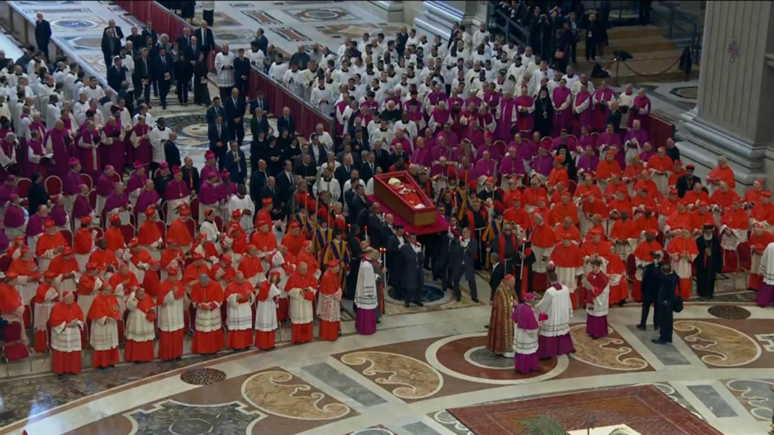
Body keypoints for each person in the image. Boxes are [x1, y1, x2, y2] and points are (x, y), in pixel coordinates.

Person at [535, 271, 575, 359]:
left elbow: (543, 305)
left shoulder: (550, 292)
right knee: (563, 332)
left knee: (549, 334)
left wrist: (535, 307)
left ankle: (547, 353)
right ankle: (566, 348)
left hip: (553, 317)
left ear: (548, 280)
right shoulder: (565, 289)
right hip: (563, 316)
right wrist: (569, 312)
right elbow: (569, 302)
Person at [49, 291, 84, 375]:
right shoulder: (57, 307)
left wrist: (77, 322)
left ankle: (74, 369)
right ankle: (61, 370)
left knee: (74, 351)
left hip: (74, 332)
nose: (73, 299)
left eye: (73, 298)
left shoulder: (76, 305)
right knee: (62, 352)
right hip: (62, 333)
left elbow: (81, 317)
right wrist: (67, 325)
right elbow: (54, 321)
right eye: (70, 298)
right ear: (65, 299)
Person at [88, 284, 121, 369]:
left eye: (111, 290)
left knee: (111, 344)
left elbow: (116, 307)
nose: (111, 292)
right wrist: (105, 318)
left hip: (111, 324)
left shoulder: (112, 297)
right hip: (102, 325)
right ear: (103, 290)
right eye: (109, 290)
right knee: (102, 346)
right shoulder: (97, 299)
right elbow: (96, 312)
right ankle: (101, 363)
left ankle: (110, 361)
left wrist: (116, 314)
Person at [191, 274, 224, 355]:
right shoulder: (196, 286)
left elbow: (220, 298)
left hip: (213, 312)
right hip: (202, 312)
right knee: (202, 330)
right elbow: (194, 299)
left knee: (213, 329)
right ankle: (202, 349)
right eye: (202, 284)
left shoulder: (216, 285)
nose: (203, 286)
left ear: (208, 280)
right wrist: (200, 305)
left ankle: (214, 348)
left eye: (205, 284)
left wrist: (212, 305)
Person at [157, 267, 185, 360]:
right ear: (168, 276)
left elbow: (181, 294)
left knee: (177, 334)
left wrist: (177, 294)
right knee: (167, 335)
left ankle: (177, 354)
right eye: (171, 276)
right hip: (167, 312)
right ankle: (167, 356)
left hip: (177, 311)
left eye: (174, 276)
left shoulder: (179, 283)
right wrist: (171, 293)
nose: (173, 278)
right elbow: (161, 301)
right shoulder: (163, 285)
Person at [285, 261, 317, 344]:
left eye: (305, 269)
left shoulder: (310, 275)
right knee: (298, 320)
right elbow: (289, 290)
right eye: (303, 269)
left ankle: (307, 337)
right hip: (297, 301)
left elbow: (314, 287)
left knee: (307, 319)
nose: (304, 271)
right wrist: (299, 291)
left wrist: (309, 289)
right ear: (298, 269)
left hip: (306, 302)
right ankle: (298, 339)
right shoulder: (293, 277)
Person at [487, 274, 517, 357]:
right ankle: (501, 348)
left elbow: (512, 297)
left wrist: (514, 301)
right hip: (502, 317)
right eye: (513, 282)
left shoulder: (510, 288)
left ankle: (507, 347)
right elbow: (500, 305)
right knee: (501, 332)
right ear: (507, 282)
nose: (514, 283)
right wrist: (512, 304)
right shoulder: (500, 291)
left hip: (509, 315)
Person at [513, 292, 543, 374]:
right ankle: (530, 367)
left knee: (521, 352)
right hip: (527, 336)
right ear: (532, 301)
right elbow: (532, 327)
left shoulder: (519, 307)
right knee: (529, 352)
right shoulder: (529, 311)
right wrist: (539, 324)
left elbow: (514, 318)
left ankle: (519, 368)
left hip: (520, 333)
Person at [124, 287, 156, 363]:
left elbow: (152, 306)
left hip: (146, 322)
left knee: (146, 339)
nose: (142, 294)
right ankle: (137, 358)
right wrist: (132, 294)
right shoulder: (133, 299)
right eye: (139, 293)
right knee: (137, 339)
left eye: (143, 292)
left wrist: (151, 312)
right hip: (136, 322)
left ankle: (147, 357)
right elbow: (130, 306)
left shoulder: (147, 297)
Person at [224, 272, 254, 351]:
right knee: (237, 328)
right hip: (236, 309)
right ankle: (236, 345)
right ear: (235, 278)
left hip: (245, 307)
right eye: (240, 279)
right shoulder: (230, 286)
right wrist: (236, 296)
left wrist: (250, 294)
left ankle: (246, 343)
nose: (242, 281)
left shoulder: (247, 283)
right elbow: (227, 297)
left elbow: (253, 293)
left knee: (246, 326)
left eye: (243, 279)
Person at [355, 247, 380, 335]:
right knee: (367, 310)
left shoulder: (364, 261)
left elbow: (368, 276)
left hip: (362, 289)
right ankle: (367, 329)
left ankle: (361, 327)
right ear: (370, 253)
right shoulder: (367, 266)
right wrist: (369, 293)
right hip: (367, 292)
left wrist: (375, 276)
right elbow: (368, 280)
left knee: (363, 309)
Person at [653, 263, 679, 345]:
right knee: (669, 320)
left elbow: (657, 274)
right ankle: (668, 337)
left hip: (665, 302)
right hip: (670, 301)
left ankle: (663, 338)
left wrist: (656, 265)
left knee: (663, 320)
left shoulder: (667, 279)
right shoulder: (674, 276)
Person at [255, 270, 282, 350]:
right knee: (265, 324)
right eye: (275, 278)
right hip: (264, 307)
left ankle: (270, 343)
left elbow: (276, 294)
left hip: (271, 306)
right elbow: (266, 295)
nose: (276, 281)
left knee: (270, 324)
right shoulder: (264, 285)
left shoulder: (273, 285)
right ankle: (264, 344)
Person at [695, 224, 723, 299]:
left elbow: (718, 252)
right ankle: (701, 292)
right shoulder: (699, 240)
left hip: (712, 262)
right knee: (701, 277)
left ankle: (710, 292)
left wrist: (711, 252)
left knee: (711, 277)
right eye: (707, 232)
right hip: (702, 263)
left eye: (710, 232)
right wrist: (704, 252)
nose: (708, 233)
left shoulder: (715, 240)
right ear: (704, 231)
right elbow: (696, 252)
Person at [318, 260, 343, 341]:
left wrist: (338, 291)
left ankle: (334, 333)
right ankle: (329, 335)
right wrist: (339, 293)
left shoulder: (333, 274)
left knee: (332, 317)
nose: (339, 268)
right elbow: (330, 292)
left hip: (333, 300)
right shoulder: (327, 276)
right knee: (329, 318)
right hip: (329, 301)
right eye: (337, 266)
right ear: (333, 268)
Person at [585, 259, 610, 339]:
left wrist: (595, 291)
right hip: (591, 298)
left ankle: (598, 333)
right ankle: (591, 331)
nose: (592, 269)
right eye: (591, 267)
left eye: (594, 267)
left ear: (599, 267)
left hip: (599, 299)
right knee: (591, 315)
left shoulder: (603, 278)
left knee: (597, 317)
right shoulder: (590, 275)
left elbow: (605, 290)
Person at [637, 253, 662, 331]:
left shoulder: (648, 267)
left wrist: (642, 291)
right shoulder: (663, 267)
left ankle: (643, 324)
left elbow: (644, 280)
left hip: (649, 291)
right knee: (657, 309)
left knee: (646, 308)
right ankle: (656, 325)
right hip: (658, 292)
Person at [757, 242, 774, 307]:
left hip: (770, 269)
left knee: (768, 284)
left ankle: (763, 301)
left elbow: (764, 258)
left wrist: (762, 268)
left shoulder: (770, 246)